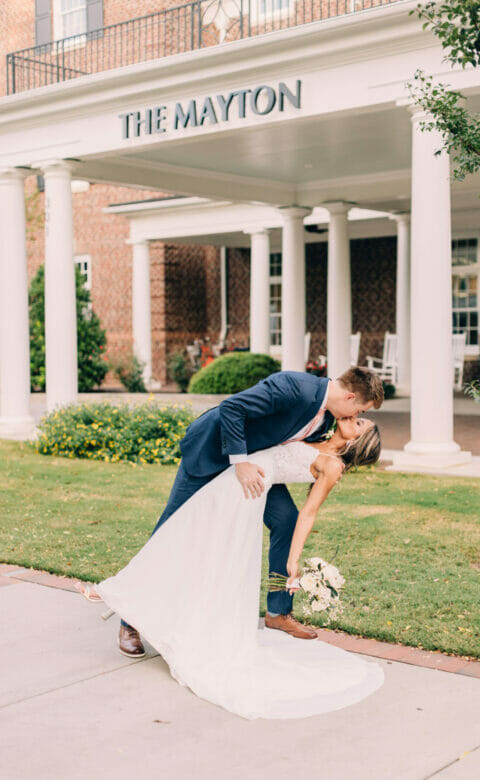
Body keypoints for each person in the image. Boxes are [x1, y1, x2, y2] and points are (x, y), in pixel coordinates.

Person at [97, 412, 384, 720]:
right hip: (236, 469)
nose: (356, 417)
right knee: (181, 532)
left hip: (247, 488)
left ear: (357, 440)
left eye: (360, 423)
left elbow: (309, 513)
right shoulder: (319, 429)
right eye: (359, 416)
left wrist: (294, 558)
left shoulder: (332, 465)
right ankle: (133, 611)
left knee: (212, 544)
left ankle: (271, 611)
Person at [116, 367, 384, 657]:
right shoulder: (295, 387)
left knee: (286, 520)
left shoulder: (329, 418)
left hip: (259, 470)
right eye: (358, 411)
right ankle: (129, 619)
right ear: (349, 396)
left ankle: (278, 611)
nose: (354, 418)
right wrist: (240, 461)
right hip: (213, 452)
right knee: (172, 529)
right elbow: (233, 407)